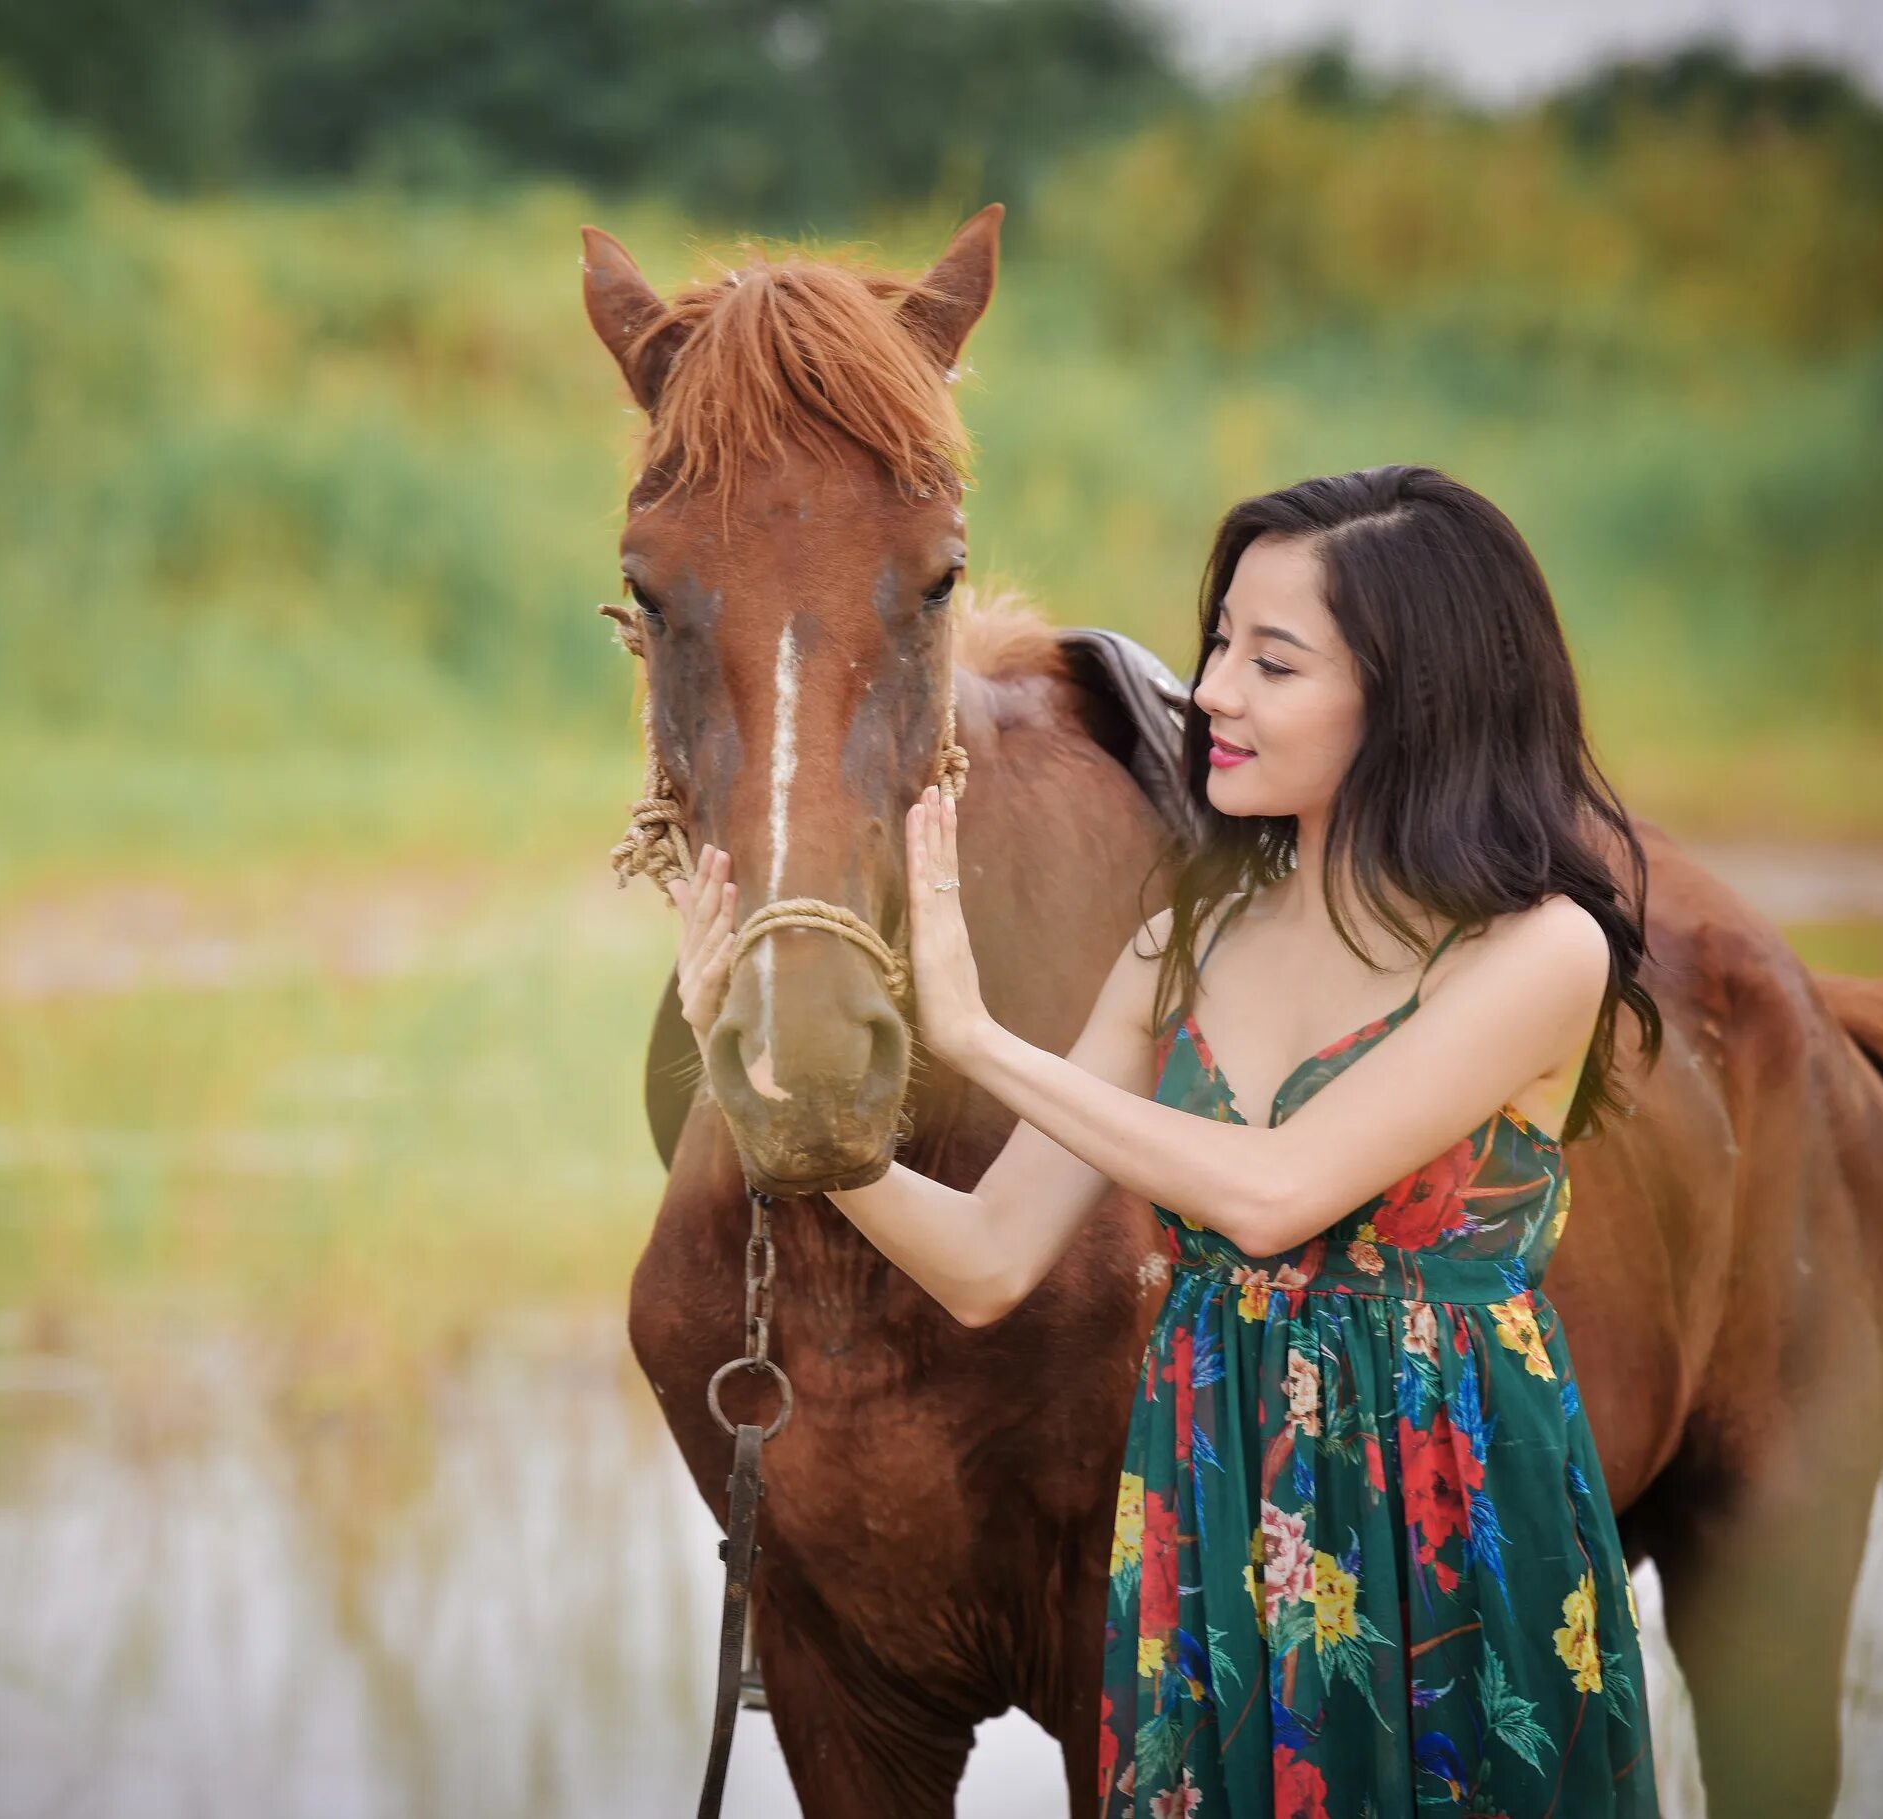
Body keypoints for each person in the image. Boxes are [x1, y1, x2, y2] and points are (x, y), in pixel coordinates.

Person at [665, 465, 1664, 1816]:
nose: (1213, 693)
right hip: (1212, 1522)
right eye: (1217, 646)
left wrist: (976, 1041)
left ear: (1415, 695)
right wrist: (773, 1096)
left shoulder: (1540, 953)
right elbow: (981, 1259)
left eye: (1274, 660)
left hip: (1443, 1525)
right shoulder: (1181, 945)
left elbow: (1277, 1193)